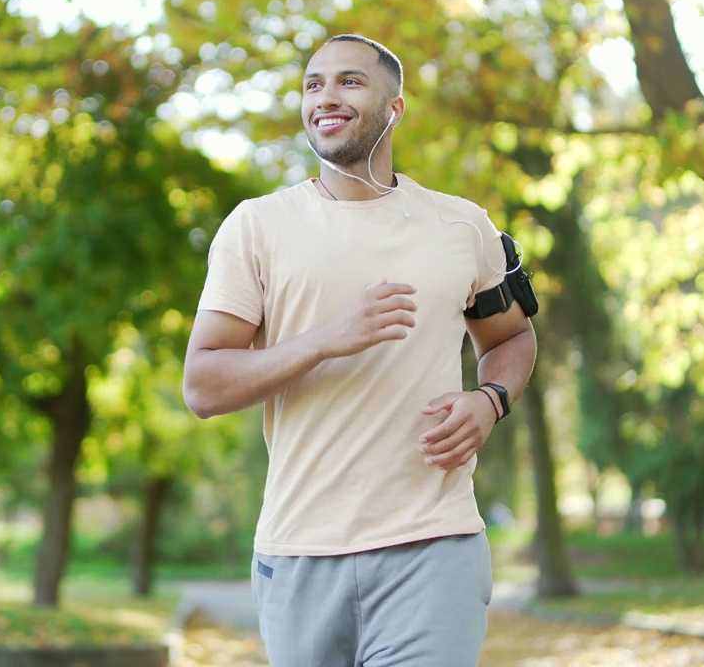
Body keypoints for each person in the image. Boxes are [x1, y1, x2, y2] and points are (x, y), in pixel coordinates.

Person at [182, 34, 538, 667]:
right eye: (313, 84)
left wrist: (491, 399)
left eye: (349, 81)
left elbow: (511, 336)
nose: (326, 97)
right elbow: (204, 386)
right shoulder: (256, 227)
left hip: (435, 544)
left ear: (394, 108)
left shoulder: (462, 226)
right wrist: (324, 341)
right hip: (299, 551)